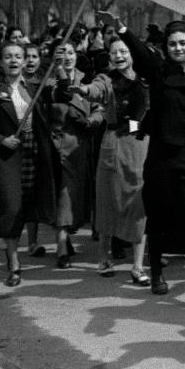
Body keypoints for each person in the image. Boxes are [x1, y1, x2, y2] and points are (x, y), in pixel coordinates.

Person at [104, 11, 185, 302]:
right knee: (159, 214)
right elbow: (142, 55)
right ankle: (156, 272)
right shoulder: (158, 72)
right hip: (163, 157)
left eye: (183, 43)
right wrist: (121, 27)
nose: (178, 48)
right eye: (172, 44)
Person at [0, 42, 60, 287]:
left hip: (34, 152)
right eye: (8, 57)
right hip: (6, 157)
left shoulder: (36, 87)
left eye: (18, 57)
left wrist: (59, 66)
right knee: (10, 207)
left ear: (24, 62)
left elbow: (60, 95)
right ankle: (13, 261)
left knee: (31, 204)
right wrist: (0, 140)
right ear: (0, 62)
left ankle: (32, 244)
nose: (13, 61)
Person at [71, 37, 151, 285]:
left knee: (140, 202)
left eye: (124, 51)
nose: (119, 56)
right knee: (108, 199)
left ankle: (138, 266)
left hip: (141, 143)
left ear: (133, 53)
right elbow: (94, 91)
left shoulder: (146, 78)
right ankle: (103, 257)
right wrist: (82, 90)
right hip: (114, 143)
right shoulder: (106, 79)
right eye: (114, 52)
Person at [48, 40, 103, 269]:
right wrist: (60, 72)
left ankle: (69, 236)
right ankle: (61, 245)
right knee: (64, 196)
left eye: (70, 52)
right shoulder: (49, 82)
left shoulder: (87, 79)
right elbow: (61, 92)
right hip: (60, 148)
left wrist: (92, 120)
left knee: (80, 196)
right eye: (61, 53)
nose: (67, 56)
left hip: (85, 147)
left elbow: (100, 106)